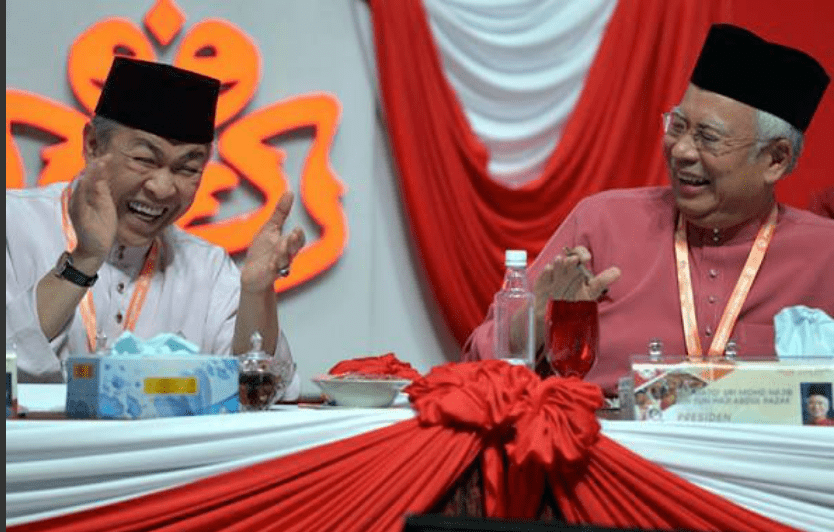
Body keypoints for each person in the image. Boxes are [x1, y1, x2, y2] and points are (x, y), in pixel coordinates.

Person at [462, 24, 834, 396]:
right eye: (678, 126)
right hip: (608, 447)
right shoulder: (602, 223)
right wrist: (534, 319)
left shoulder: (824, 254)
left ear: (776, 159)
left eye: (708, 138)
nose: (682, 151)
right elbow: (475, 371)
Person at [6, 57, 306, 400]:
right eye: (145, 160)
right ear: (92, 145)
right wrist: (84, 261)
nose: (163, 188)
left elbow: (260, 390)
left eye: (187, 168)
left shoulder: (205, 268)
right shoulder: (14, 224)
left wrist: (256, 294)